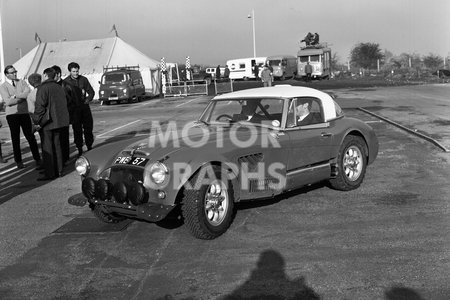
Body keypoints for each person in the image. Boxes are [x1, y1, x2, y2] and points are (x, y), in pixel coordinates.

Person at [0, 65, 41, 169]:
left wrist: (15, 96)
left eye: (15, 71)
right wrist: (20, 97)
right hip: (12, 115)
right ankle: (18, 161)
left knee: (30, 136)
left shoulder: (22, 82)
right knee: (15, 138)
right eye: (12, 72)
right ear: (6, 75)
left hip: (24, 113)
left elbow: (27, 93)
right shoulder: (3, 87)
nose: (15, 73)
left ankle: (37, 159)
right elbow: (8, 101)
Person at [34, 68, 70, 180]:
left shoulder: (43, 88)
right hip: (59, 121)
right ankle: (59, 170)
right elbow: (66, 102)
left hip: (48, 122)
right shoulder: (60, 87)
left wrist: (36, 121)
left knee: (48, 148)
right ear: (55, 76)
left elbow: (39, 106)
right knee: (57, 146)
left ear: (45, 75)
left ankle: (50, 173)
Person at [63, 62, 95, 157]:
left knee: (88, 128)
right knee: (77, 130)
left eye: (77, 71)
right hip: (74, 110)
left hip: (84, 108)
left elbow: (91, 92)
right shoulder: (66, 82)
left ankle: (89, 146)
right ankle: (80, 148)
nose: (76, 73)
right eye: (74, 71)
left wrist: (88, 99)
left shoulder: (83, 80)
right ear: (70, 71)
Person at [52, 65, 71, 163]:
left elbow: (70, 100)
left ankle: (65, 158)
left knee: (64, 138)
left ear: (58, 74)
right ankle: (58, 160)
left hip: (63, 115)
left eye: (53, 75)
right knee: (56, 139)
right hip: (54, 117)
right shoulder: (51, 85)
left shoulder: (65, 85)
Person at [26, 73, 44, 161]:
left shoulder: (31, 95)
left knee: (45, 144)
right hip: (53, 119)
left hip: (41, 121)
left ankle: (48, 165)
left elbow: (32, 111)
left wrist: (35, 124)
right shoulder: (47, 90)